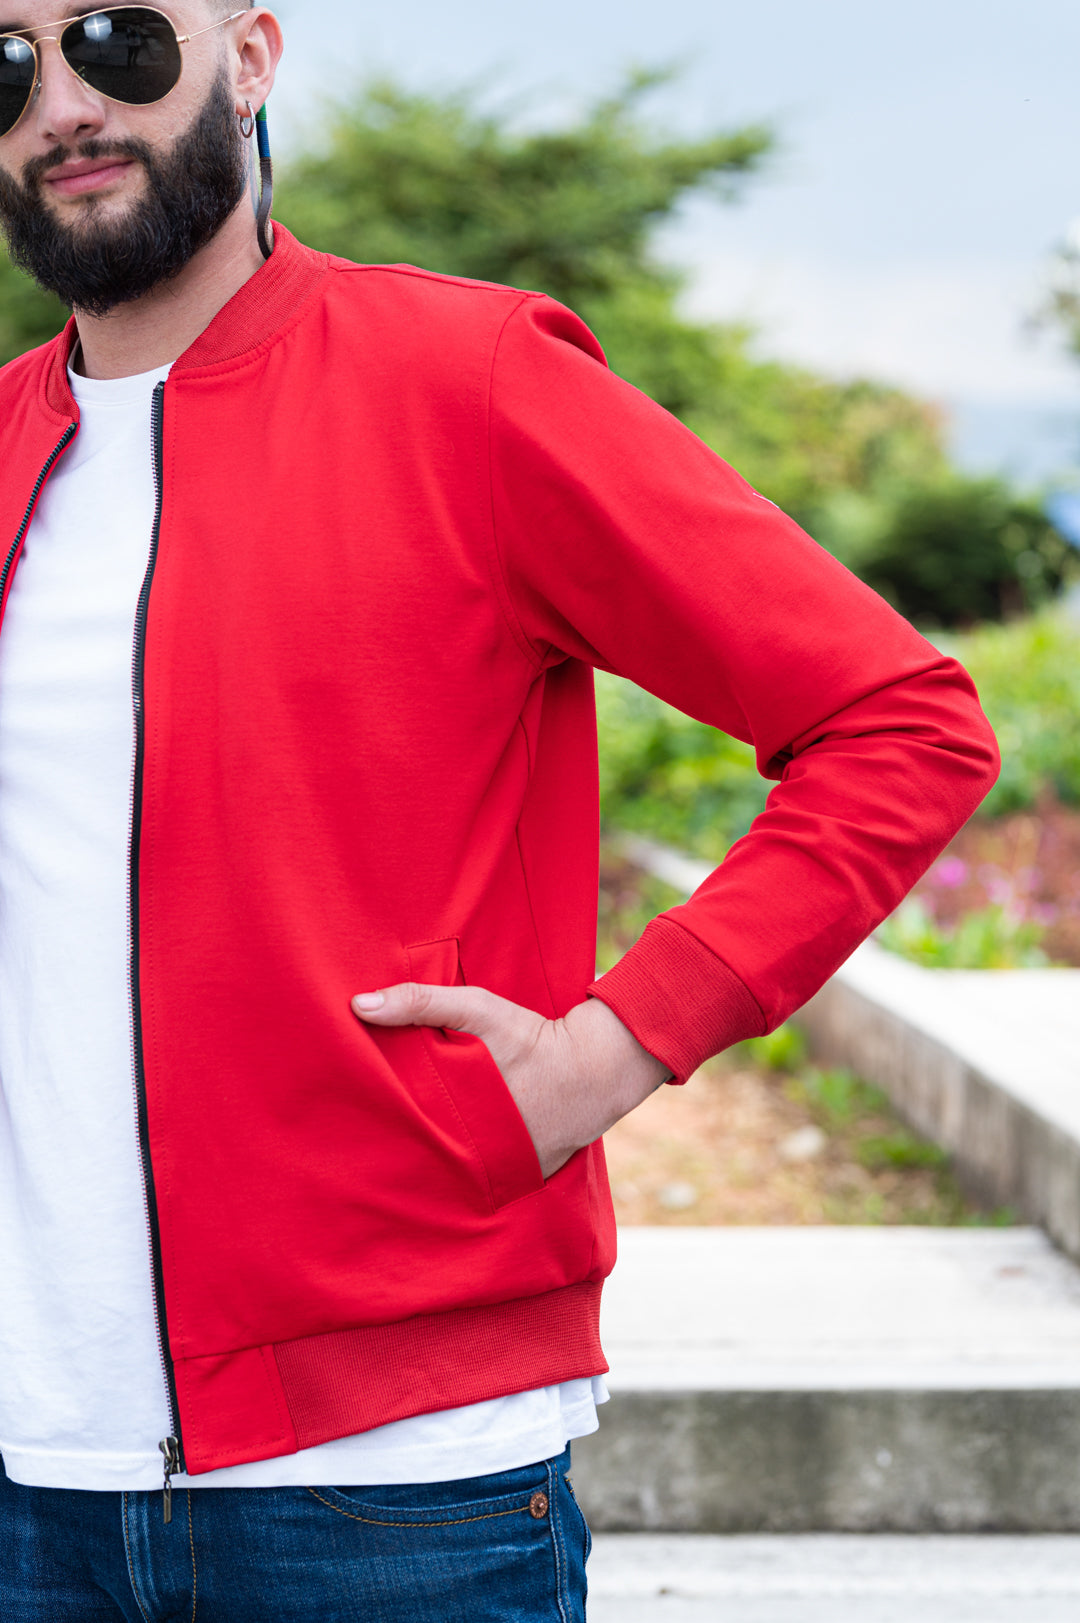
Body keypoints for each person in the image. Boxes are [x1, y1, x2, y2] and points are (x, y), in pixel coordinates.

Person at [0, 4, 999, 1619]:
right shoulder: (2, 453)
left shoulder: (466, 382)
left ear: (251, 57)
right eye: (6, 63)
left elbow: (897, 720)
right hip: (26, 1481)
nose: (63, 101)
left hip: (393, 1495)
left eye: (117, 39)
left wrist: (618, 1043)